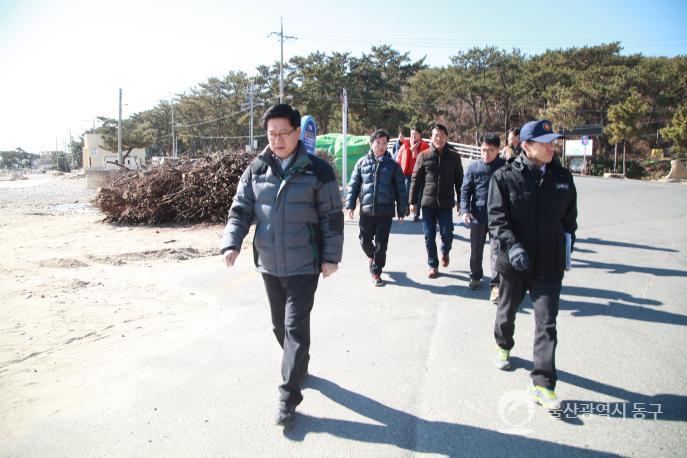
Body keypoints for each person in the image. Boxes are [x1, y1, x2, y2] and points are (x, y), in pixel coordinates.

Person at [219, 103, 344, 427]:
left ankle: (288, 398)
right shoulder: (257, 170)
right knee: (280, 328)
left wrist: (331, 257)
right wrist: (232, 242)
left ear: (296, 132)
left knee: (294, 329)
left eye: (283, 133)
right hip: (270, 264)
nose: (276, 139)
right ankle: (298, 364)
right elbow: (241, 209)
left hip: (304, 264)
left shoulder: (319, 170)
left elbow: (332, 217)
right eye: (271, 134)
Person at [488, 119, 577, 410]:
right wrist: (512, 247)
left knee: (547, 323)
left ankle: (543, 383)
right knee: (507, 310)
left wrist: (567, 247)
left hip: (549, 264)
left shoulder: (563, 178)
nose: (552, 146)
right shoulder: (504, 177)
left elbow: (569, 221)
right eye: (545, 142)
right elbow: (497, 219)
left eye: (554, 141)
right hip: (515, 263)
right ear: (526, 146)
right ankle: (503, 344)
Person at [345, 129, 407, 286]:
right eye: (378, 143)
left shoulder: (393, 165)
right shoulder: (361, 163)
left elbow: (401, 189)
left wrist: (401, 210)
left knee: (381, 244)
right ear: (371, 143)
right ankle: (371, 256)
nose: (381, 146)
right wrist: (350, 205)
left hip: (385, 212)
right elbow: (354, 185)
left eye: (384, 143)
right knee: (364, 241)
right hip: (366, 211)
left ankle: (376, 272)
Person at [409, 123, 464, 278]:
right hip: (427, 203)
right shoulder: (424, 155)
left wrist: (462, 201)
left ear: (446, 137)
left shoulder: (454, 156)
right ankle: (433, 265)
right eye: (435, 136)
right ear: (431, 137)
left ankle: (445, 251)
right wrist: (412, 202)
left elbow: (460, 180)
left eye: (441, 135)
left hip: (446, 204)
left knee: (447, 234)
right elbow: (415, 180)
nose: (438, 138)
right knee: (429, 235)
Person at [460, 133, 506, 301]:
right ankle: (475, 276)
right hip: (478, 214)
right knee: (476, 249)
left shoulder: (504, 167)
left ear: (498, 151)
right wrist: (465, 211)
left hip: (499, 216)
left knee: (497, 251)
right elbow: (465, 191)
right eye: (483, 150)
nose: (486, 154)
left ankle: (496, 286)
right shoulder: (473, 168)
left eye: (490, 150)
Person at [395, 126, 430, 222]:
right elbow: (398, 158)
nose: (413, 136)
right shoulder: (405, 145)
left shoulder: (424, 146)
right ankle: (407, 207)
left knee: (417, 195)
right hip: (407, 174)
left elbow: (428, 159)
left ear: (420, 135)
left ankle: (416, 214)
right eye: (412, 134)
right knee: (406, 192)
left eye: (415, 134)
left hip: (419, 175)